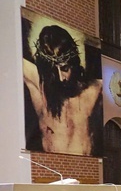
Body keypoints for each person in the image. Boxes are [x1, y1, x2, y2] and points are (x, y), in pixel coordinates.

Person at [23, 24, 103, 156]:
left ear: (74, 63)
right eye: (53, 72)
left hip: (85, 167)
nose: (61, 78)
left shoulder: (94, 90)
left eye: (65, 68)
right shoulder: (40, 87)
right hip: (50, 167)